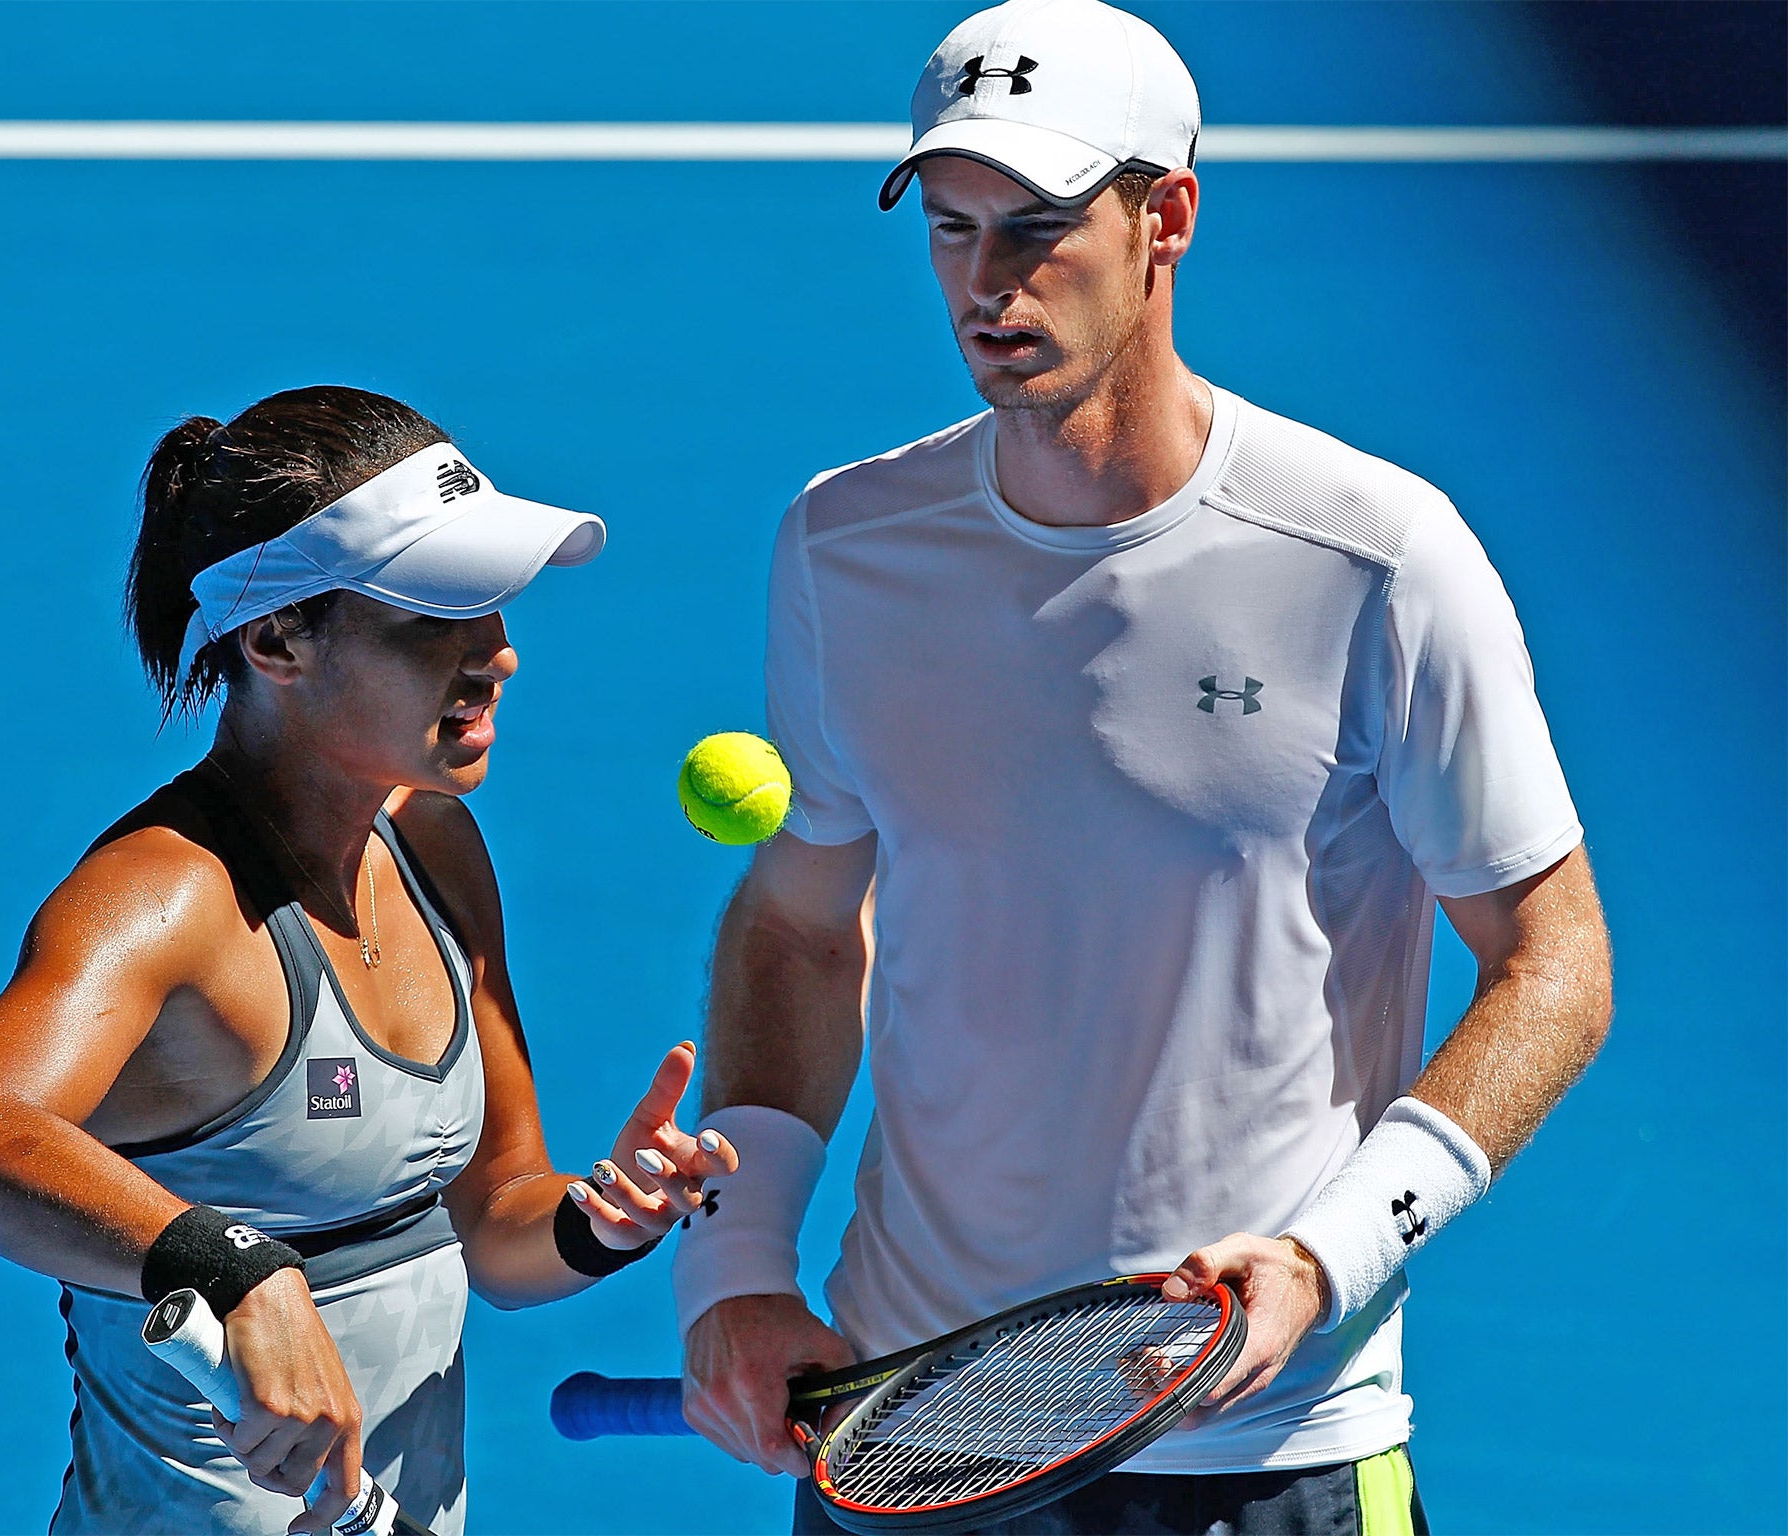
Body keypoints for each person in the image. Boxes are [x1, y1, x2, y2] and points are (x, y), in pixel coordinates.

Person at [671, 4, 1613, 1532]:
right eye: (955, 228)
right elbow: (794, 919)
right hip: (917, 1416)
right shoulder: (843, 546)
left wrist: (1327, 1259)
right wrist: (738, 1269)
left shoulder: (1375, 554)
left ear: (1165, 216)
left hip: (1272, 1444)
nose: (986, 284)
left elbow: (1555, 961)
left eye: (1039, 229)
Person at [0, 385, 735, 1536]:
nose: (496, 656)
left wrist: (600, 1222)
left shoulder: (433, 839)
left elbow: (496, 1218)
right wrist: (234, 1266)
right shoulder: (161, 901)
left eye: (493, 610)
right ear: (275, 639)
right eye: (430, 617)